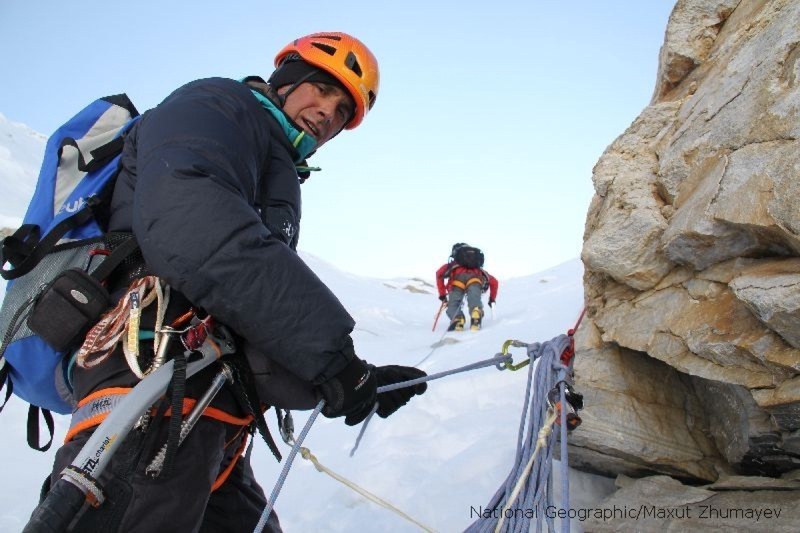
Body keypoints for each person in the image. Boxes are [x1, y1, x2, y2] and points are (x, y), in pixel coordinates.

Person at [37, 31, 428, 533]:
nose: (328, 113)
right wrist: (331, 357)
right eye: (323, 88)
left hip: (209, 413)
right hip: (150, 392)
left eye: (342, 111)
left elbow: (245, 306)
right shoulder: (217, 105)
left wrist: (354, 379)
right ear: (287, 77)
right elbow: (196, 229)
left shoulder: (271, 160)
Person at [435, 243, 499, 331]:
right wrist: (492, 299)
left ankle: (458, 319)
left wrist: (442, 294)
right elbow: (494, 282)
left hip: (457, 282)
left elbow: (439, 274)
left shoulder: (452, 265)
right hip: (475, 280)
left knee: (453, 305)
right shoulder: (478, 268)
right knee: (474, 300)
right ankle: (476, 312)